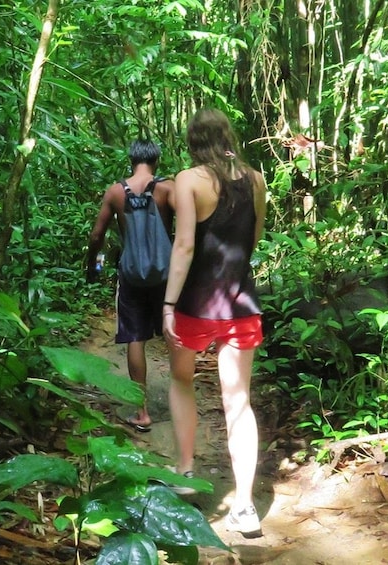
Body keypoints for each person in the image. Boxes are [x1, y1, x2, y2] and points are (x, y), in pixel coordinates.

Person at [161, 109, 267, 537]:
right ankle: (245, 506)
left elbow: (184, 244)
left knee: (181, 379)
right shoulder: (255, 179)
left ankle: (185, 470)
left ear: (192, 141)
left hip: (194, 305)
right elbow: (253, 238)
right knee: (238, 400)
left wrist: (168, 303)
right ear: (229, 136)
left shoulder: (188, 180)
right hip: (241, 303)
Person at [86, 139, 174, 433]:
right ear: (156, 161)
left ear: (131, 160)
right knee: (173, 331)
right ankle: (181, 400)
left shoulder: (115, 192)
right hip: (166, 274)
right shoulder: (167, 188)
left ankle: (142, 411)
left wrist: (93, 267)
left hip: (132, 275)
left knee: (136, 337)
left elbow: (96, 236)